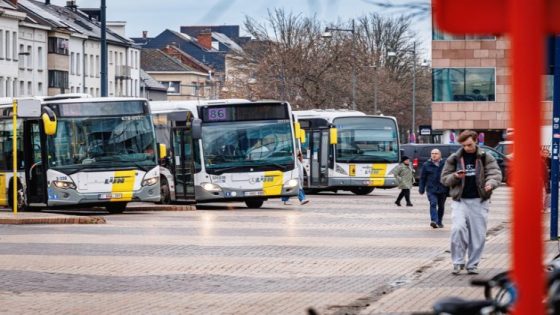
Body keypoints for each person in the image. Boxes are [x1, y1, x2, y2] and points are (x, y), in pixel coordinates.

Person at [441, 130, 502, 275]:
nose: (467, 148)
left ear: (476, 141)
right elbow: (444, 179)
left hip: (479, 201)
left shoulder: (486, 157)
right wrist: (455, 176)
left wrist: (491, 183)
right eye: (464, 145)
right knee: (458, 229)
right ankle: (458, 262)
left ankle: (472, 264)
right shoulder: (454, 158)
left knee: (477, 235)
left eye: (469, 144)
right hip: (460, 201)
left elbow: (495, 173)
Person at [419, 149, 449, 229]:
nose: (434, 155)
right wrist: (421, 188)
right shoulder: (426, 165)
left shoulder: (445, 164)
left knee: (441, 206)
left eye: (436, 153)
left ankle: (439, 221)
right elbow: (422, 178)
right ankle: (434, 221)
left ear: (440, 155)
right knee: (433, 203)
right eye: (432, 153)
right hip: (431, 189)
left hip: (443, 188)